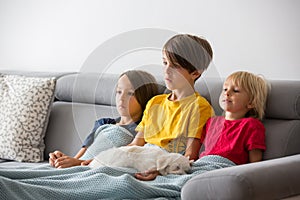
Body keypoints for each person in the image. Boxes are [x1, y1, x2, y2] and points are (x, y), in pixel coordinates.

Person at [135, 71, 269, 180]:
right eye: (225, 89)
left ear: (251, 102)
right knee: (167, 179)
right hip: (200, 165)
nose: (227, 93)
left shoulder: (251, 125)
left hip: (223, 168)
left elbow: (255, 166)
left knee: (184, 184)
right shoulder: (212, 122)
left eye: (236, 91)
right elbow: (198, 155)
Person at [128, 34, 215, 167]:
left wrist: (159, 170)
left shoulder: (199, 107)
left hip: (164, 163)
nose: (166, 70)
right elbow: (136, 144)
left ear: (195, 73)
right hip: (140, 159)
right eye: (165, 63)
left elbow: (190, 156)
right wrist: (103, 160)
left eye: (175, 66)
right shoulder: (155, 102)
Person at [49, 70, 159, 168]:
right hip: (80, 167)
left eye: (130, 93)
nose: (121, 98)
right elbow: (79, 157)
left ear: (145, 97)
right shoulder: (103, 123)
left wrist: (78, 163)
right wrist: (61, 160)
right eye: (119, 92)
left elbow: (122, 157)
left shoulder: (142, 131)